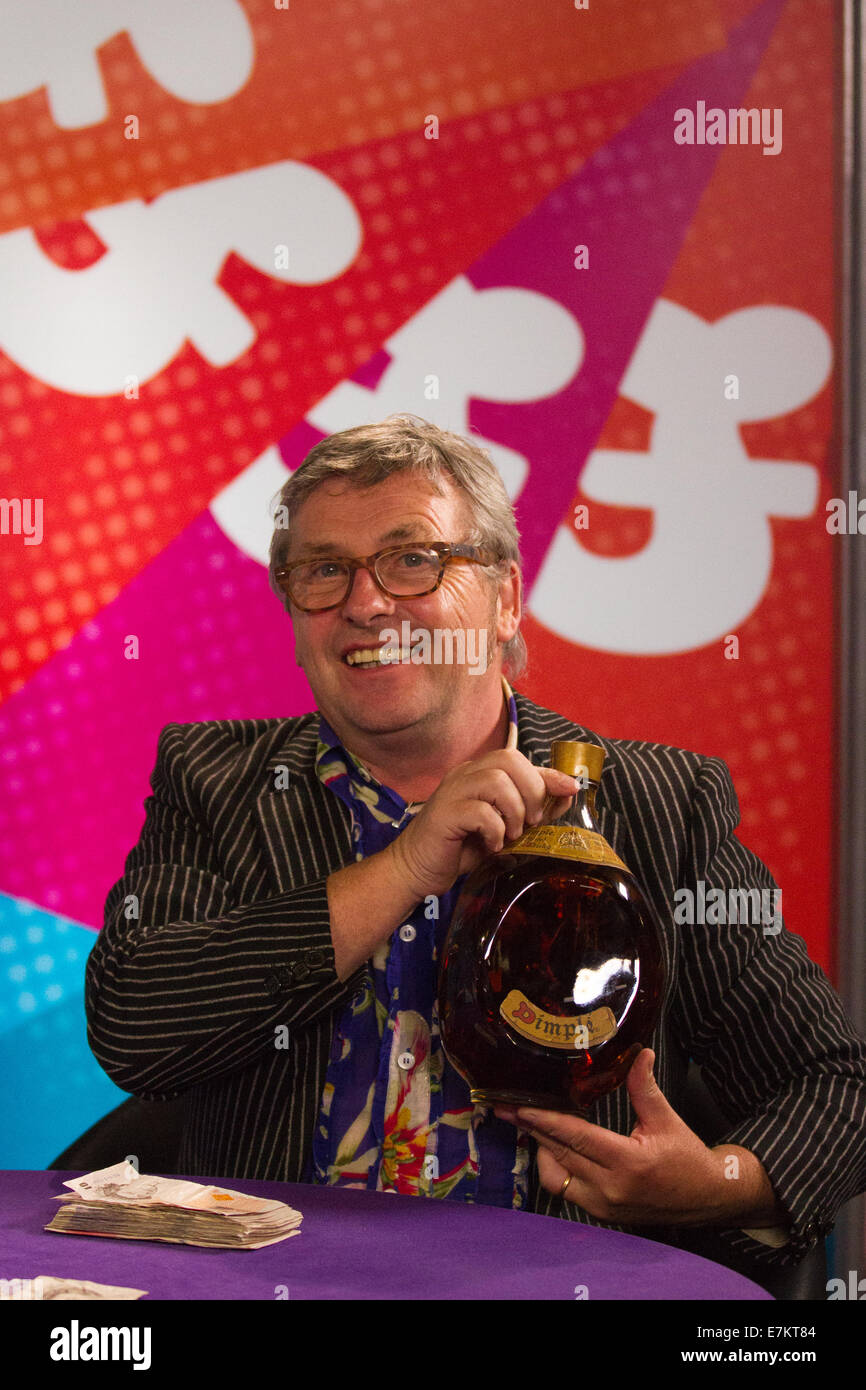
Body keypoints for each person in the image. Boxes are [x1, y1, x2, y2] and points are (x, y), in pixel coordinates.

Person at [85, 414, 866, 1280]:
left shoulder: (659, 805)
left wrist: (716, 1186)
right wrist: (408, 863)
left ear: (504, 598)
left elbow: (836, 1088)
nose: (367, 602)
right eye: (324, 569)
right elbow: (136, 1027)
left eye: (413, 559)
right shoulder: (217, 779)